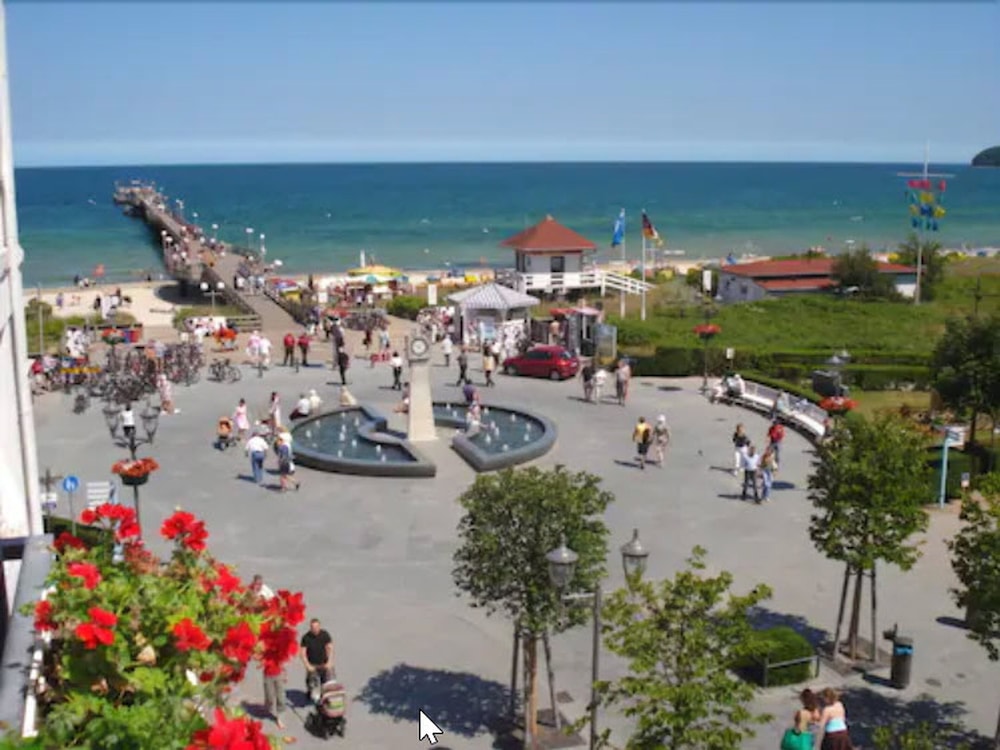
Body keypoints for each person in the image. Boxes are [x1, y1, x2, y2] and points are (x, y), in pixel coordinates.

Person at [300, 619, 334, 697]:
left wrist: (329, 662)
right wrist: (307, 665)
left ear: (319, 626)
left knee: (326, 682)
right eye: (313, 627)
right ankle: (310, 694)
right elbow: (302, 652)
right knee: (310, 682)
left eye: (317, 627)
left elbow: (330, 648)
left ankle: (324, 696)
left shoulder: (325, 635)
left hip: (324, 663)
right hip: (312, 664)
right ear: (310, 628)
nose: (315, 629)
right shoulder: (306, 637)